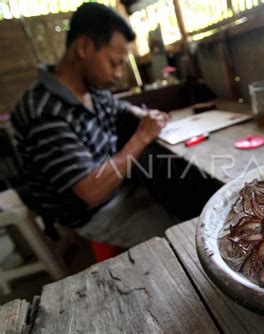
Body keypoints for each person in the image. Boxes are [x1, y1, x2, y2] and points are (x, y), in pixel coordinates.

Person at [11, 3, 176, 248]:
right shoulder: (44, 111)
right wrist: (142, 135)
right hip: (93, 212)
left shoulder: (93, 91)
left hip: (121, 188)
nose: (119, 73)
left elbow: (124, 109)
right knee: (175, 240)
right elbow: (91, 192)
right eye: (114, 63)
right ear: (84, 47)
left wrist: (147, 114)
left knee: (183, 199)